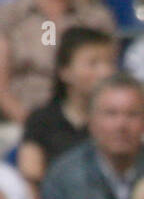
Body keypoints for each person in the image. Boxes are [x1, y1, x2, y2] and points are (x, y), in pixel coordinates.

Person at [18, 25, 117, 190]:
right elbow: (31, 176)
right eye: (93, 63)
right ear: (65, 71)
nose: (105, 72)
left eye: (109, 62)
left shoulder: (121, 120)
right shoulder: (41, 120)